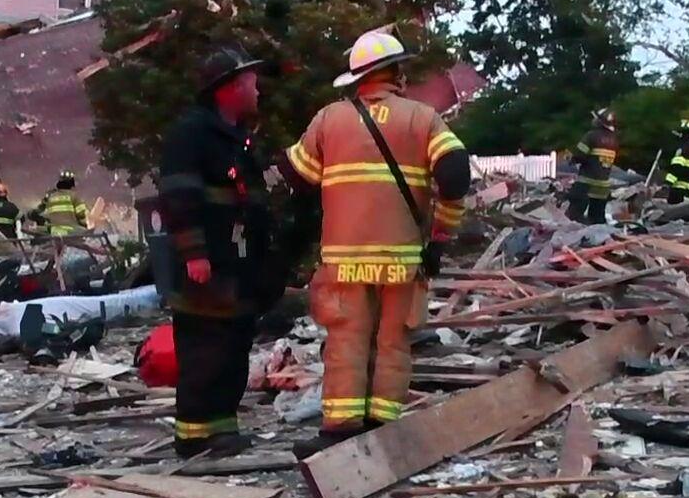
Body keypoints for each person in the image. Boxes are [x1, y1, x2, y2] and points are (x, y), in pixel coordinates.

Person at [282, 29, 469, 458]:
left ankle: (340, 430)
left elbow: (297, 176)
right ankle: (382, 424)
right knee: (392, 341)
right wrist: (440, 236)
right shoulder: (422, 118)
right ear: (395, 73)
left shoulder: (329, 119)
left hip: (344, 261)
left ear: (357, 77)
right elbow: (456, 174)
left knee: (347, 339)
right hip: (401, 260)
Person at [158, 44, 272, 458]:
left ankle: (222, 428)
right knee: (205, 346)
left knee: (233, 343)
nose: (257, 89)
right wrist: (194, 254)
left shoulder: (236, 139)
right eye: (250, 81)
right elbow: (178, 197)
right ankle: (194, 435)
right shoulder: (192, 134)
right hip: (207, 264)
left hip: (236, 262)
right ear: (229, 87)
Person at [569, 108, 619, 224]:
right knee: (597, 219)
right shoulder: (614, 140)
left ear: (599, 121)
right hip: (602, 186)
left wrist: (572, 159)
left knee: (573, 218)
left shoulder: (591, 136)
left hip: (586, 183)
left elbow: (579, 155)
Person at [33, 172, 89, 236]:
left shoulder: (51, 197)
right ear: (72, 183)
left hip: (54, 230)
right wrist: (86, 224)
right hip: (70, 229)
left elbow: (45, 214)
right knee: (85, 232)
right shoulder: (74, 196)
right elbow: (81, 214)